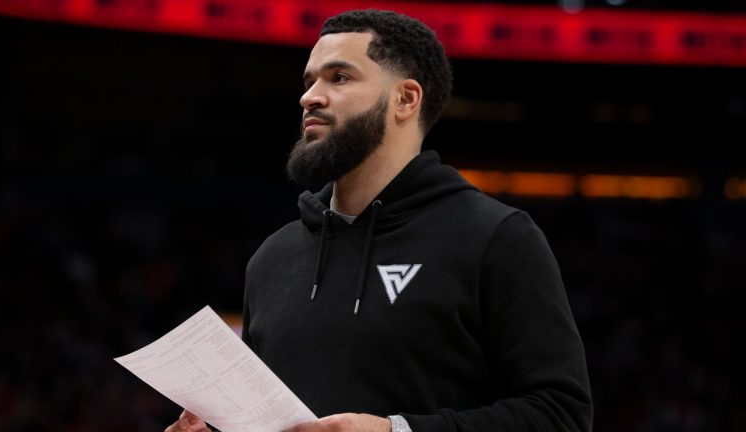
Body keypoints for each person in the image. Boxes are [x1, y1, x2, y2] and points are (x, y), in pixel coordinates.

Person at [166, 9, 592, 432]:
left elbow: (561, 415)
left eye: (339, 77)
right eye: (309, 80)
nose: (309, 96)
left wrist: (396, 430)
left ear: (405, 99)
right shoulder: (273, 257)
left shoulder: (495, 238)